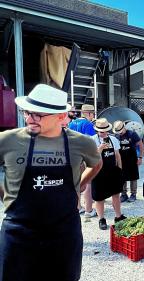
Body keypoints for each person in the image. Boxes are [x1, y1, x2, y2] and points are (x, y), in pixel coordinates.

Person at [0, 84, 102, 281]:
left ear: (61, 116)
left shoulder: (82, 142)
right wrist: (6, 194)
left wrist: (79, 184)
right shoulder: (7, 140)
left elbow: (96, 164)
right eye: (27, 112)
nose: (29, 119)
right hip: (18, 234)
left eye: (38, 114)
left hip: (63, 233)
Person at [90, 118, 126, 230]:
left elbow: (117, 155)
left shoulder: (113, 139)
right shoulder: (92, 140)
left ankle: (118, 216)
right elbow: (91, 158)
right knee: (99, 197)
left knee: (116, 194)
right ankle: (101, 219)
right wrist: (99, 149)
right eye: (101, 131)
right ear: (97, 131)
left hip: (112, 171)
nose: (103, 133)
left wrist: (119, 169)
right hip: (98, 172)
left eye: (105, 131)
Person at [68, 103, 97, 217]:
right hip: (84, 156)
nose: (93, 116)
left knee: (76, 183)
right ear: (89, 113)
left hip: (73, 156)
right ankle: (89, 210)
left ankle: (78, 207)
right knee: (88, 183)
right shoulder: (88, 124)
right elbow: (92, 142)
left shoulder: (71, 123)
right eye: (93, 114)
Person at [113, 120, 143, 203]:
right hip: (121, 159)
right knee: (122, 176)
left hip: (132, 159)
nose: (119, 133)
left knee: (133, 177)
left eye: (120, 131)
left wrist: (140, 157)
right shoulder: (116, 136)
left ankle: (133, 194)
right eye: (118, 132)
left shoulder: (132, 134)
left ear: (124, 128)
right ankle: (123, 194)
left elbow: (140, 145)